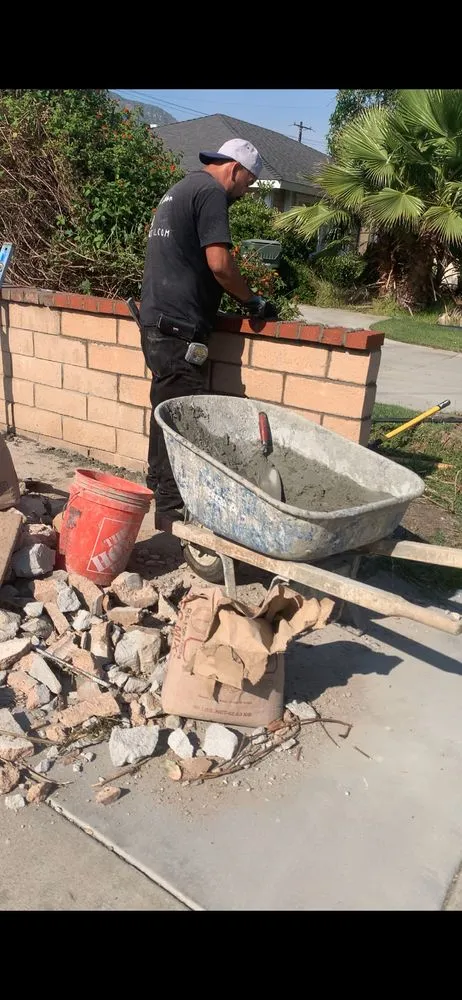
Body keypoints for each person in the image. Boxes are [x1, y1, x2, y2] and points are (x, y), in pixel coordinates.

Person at [139, 138, 278, 528]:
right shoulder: (212, 193)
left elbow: (186, 261)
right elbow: (219, 263)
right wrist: (252, 301)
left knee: (165, 414)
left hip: (157, 324)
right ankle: (170, 516)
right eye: (247, 184)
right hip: (178, 330)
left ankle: (157, 493)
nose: (244, 193)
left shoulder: (180, 189)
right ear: (235, 170)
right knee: (185, 423)